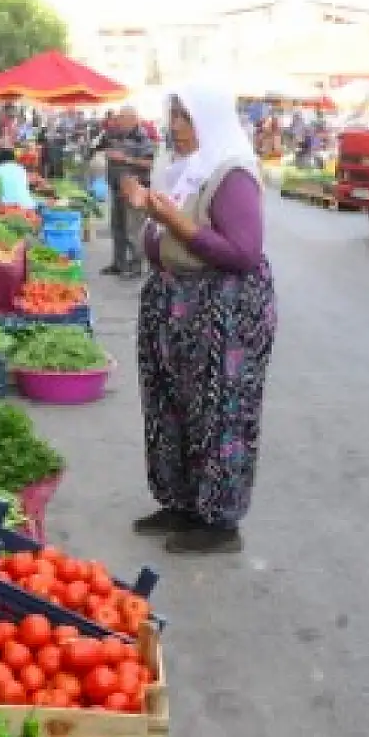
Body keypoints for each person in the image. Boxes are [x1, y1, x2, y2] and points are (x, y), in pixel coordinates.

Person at [121, 82, 277, 555]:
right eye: (173, 116)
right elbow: (162, 235)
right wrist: (147, 209)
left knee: (217, 413)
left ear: (208, 120)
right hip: (174, 304)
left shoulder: (232, 176)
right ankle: (180, 502)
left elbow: (244, 253)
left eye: (185, 118)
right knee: (170, 408)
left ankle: (219, 520)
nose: (175, 128)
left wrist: (177, 225)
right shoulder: (183, 169)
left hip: (221, 313)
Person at [97, 107, 156, 277]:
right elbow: (101, 146)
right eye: (118, 117)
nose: (118, 120)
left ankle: (137, 267)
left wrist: (125, 159)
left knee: (133, 230)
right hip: (117, 188)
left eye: (122, 118)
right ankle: (119, 264)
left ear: (133, 119)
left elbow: (149, 164)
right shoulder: (116, 134)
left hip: (134, 189)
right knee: (117, 228)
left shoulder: (142, 137)